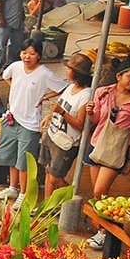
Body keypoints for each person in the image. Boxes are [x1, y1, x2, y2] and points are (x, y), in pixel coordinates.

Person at [0, 40, 64, 203]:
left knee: (24, 162)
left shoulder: (44, 73)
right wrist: (17, 89)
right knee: (10, 155)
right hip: (11, 117)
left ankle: (23, 194)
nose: (27, 57)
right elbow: (6, 76)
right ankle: (12, 188)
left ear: (39, 55)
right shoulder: (16, 66)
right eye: (24, 52)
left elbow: (63, 87)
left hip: (30, 123)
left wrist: (45, 97)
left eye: (32, 53)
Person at [81, 60, 130, 219]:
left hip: (116, 149)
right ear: (119, 76)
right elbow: (97, 120)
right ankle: (101, 228)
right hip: (96, 144)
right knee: (99, 194)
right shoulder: (102, 92)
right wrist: (90, 112)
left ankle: (103, 230)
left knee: (99, 191)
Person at [39, 53, 94, 197]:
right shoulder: (70, 88)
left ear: (77, 73)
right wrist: (50, 116)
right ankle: (47, 206)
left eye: (69, 69)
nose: (66, 71)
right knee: (48, 171)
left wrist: (62, 113)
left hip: (65, 143)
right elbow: (61, 107)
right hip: (52, 134)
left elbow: (80, 124)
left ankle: (71, 196)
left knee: (55, 177)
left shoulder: (85, 95)